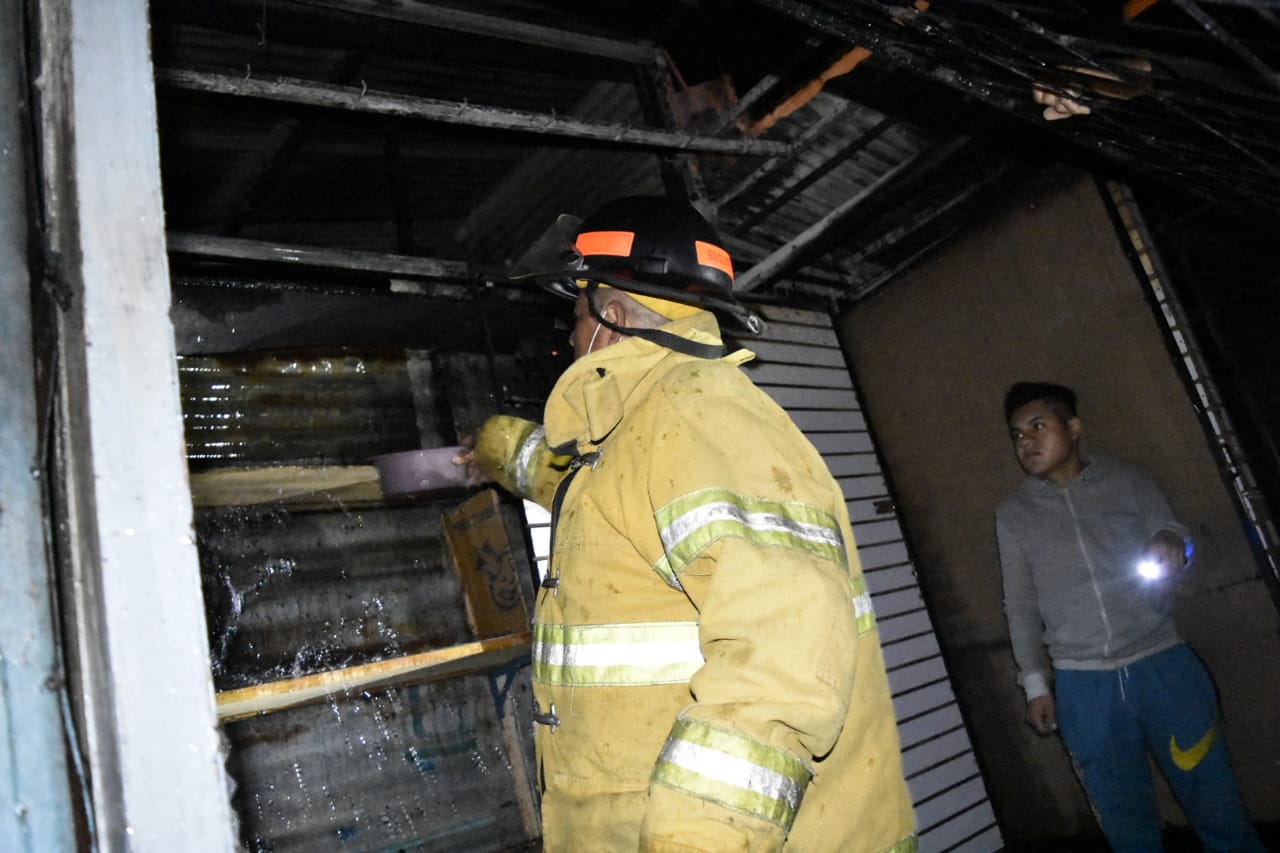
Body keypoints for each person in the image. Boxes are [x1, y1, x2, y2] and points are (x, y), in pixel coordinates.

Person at [466, 196, 917, 851]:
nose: (568, 336)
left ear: (611, 318)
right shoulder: (641, 432)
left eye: (575, 312)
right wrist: (489, 448)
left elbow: (785, 648)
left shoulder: (691, 413)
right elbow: (579, 491)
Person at [995, 381, 1264, 853]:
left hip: (1161, 665)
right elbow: (1019, 602)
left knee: (1216, 805)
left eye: (1039, 426)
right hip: (1084, 688)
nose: (1027, 442)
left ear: (1074, 428)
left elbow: (1172, 529)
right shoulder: (1014, 514)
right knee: (1126, 827)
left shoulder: (1127, 480)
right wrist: (1036, 684)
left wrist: (1170, 541)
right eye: (1017, 435)